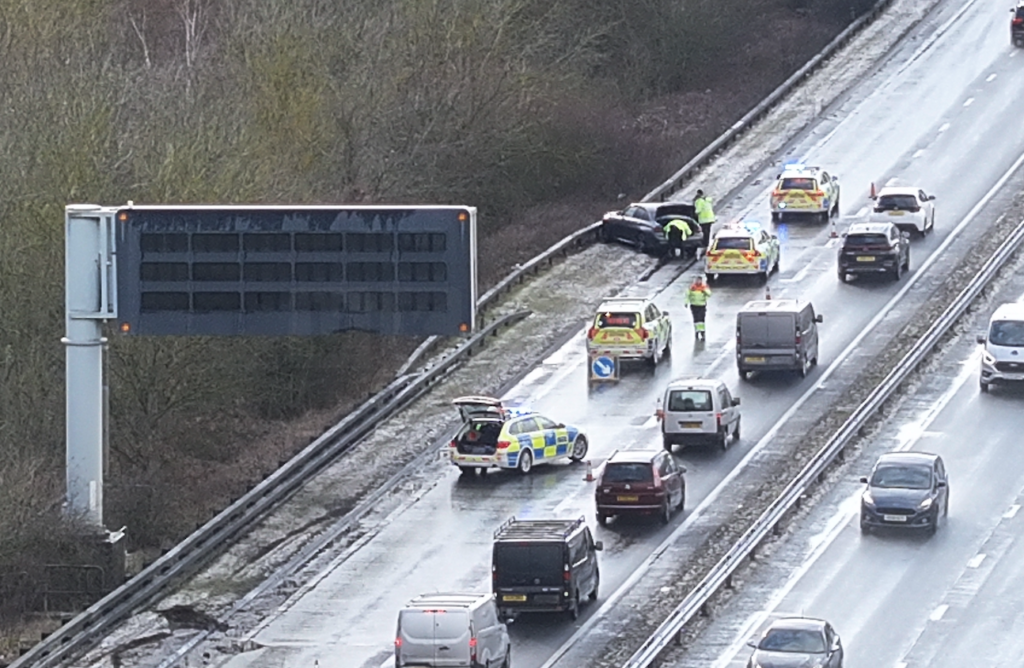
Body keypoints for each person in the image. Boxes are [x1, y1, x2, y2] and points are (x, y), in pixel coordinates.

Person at [685, 274, 712, 340]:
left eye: (699, 280)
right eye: (697, 280)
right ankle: (697, 331)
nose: (698, 282)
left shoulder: (704, 287)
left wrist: (704, 290)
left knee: (701, 319)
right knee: (696, 319)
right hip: (694, 305)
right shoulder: (692, 288)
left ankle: (702, 332)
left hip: (702, 305)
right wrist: (686, 302)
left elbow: (709, 294)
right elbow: (688, 295)